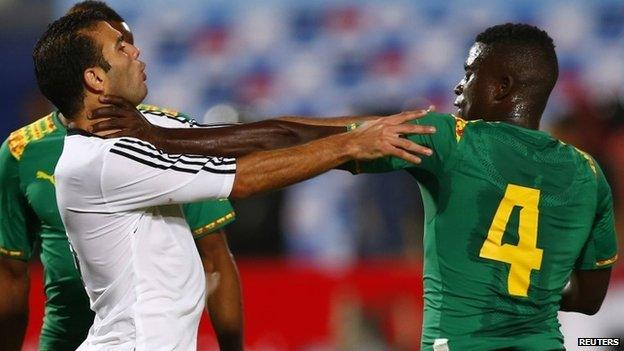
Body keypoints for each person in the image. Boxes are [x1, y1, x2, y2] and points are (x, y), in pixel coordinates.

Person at [32, 10, 433, 351]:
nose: (136, 51)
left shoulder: (144, 128)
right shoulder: (101, 160)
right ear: (95, 79)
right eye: (120, 47)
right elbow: (243, 177)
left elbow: (259, 135)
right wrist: (350, 146)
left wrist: (364, 128)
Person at [0, 2, 243, 351]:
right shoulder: (22, 150)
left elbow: (214, 255)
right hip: (66, 341)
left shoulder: (169, 133)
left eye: (127, 42)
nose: (133, 53)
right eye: (119, 47)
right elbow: (10, 272)